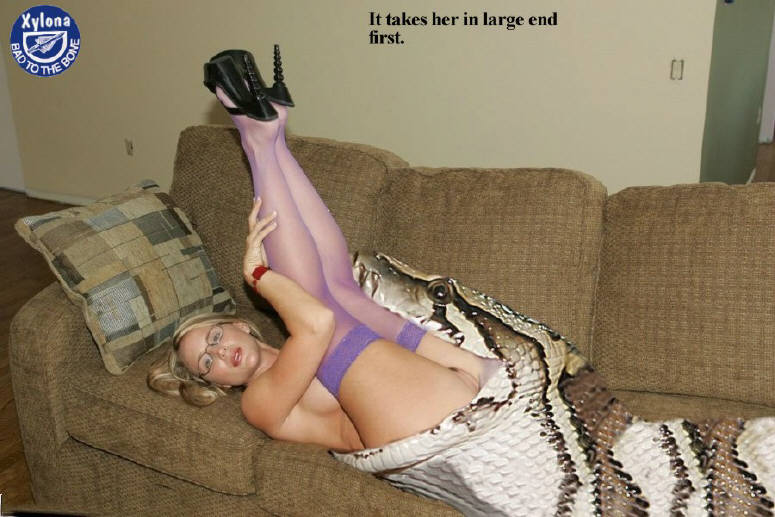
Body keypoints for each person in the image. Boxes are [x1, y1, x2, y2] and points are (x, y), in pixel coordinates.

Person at [149, 47, 500, 452]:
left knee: (343, 290)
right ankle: (260, 145)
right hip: (416, 430)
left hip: (450, 391)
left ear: (239, 326)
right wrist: (259, 276)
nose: (220, 352)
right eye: (207, 363)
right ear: (218, 385)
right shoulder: (258, 403)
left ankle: (273, 142)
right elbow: (316, 323)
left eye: (214, 337)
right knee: (327, 307)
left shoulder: (290, 350)